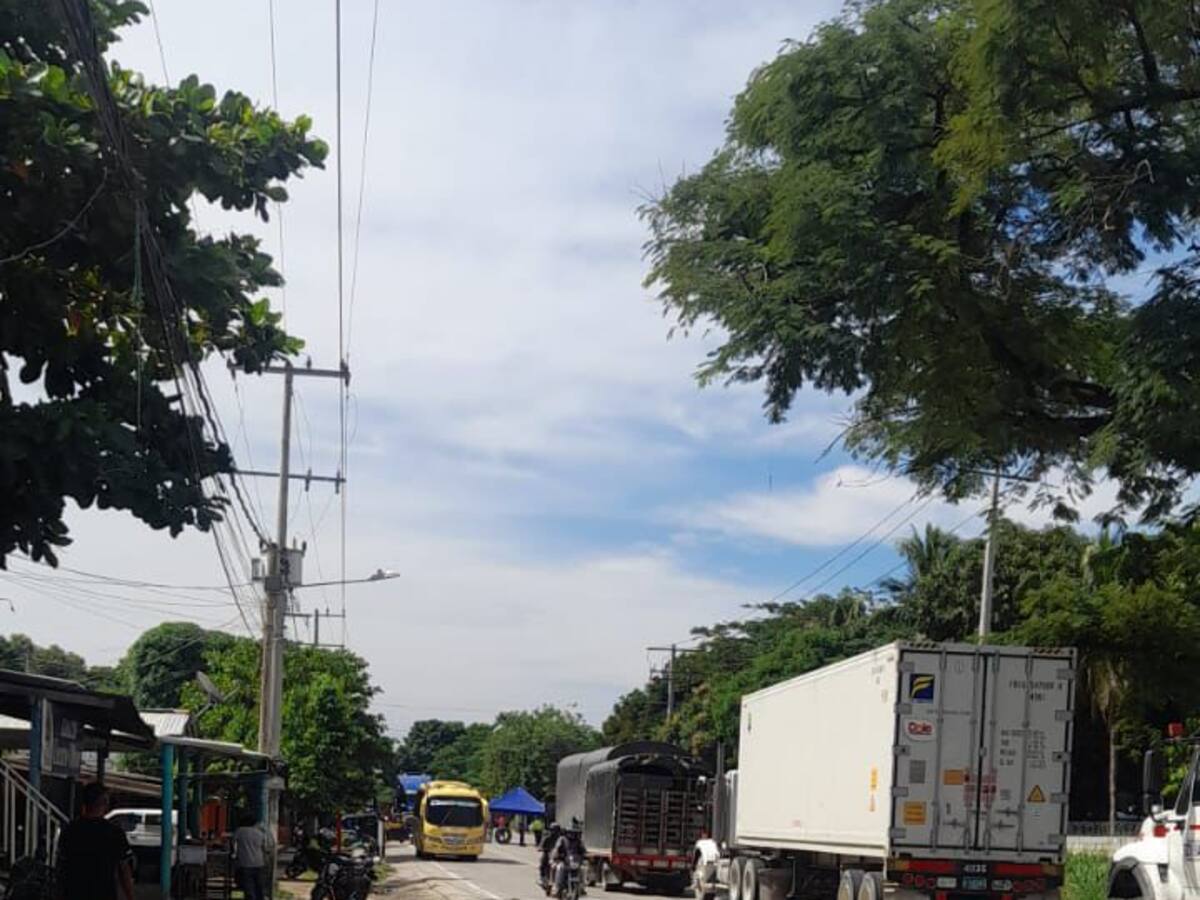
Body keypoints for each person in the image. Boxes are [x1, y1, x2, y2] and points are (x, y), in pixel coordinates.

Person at [55, 782, 134, 900]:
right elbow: (124, 869)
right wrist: (130, 896)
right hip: (104, 893)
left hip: (74, 893)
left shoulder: (70, 830)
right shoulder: (114, 832)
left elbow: (61, 867)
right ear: (105, 802)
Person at [233, 812, 272, 900]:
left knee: (248, 888)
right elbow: (265, 848)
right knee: (259, 887)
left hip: (245, 863)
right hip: (259, 863)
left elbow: (233, 844)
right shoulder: (260, 833)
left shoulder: (239, 831)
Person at [538, 822, 563, 888]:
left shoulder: (561, 839)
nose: (554, 832)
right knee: (543, 861)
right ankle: (542, 877)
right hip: (548, 853)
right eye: (553, 830)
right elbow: (541, 845)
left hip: (558, 855)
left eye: (556, 830)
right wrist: (541, 848)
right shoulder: (547, 837)